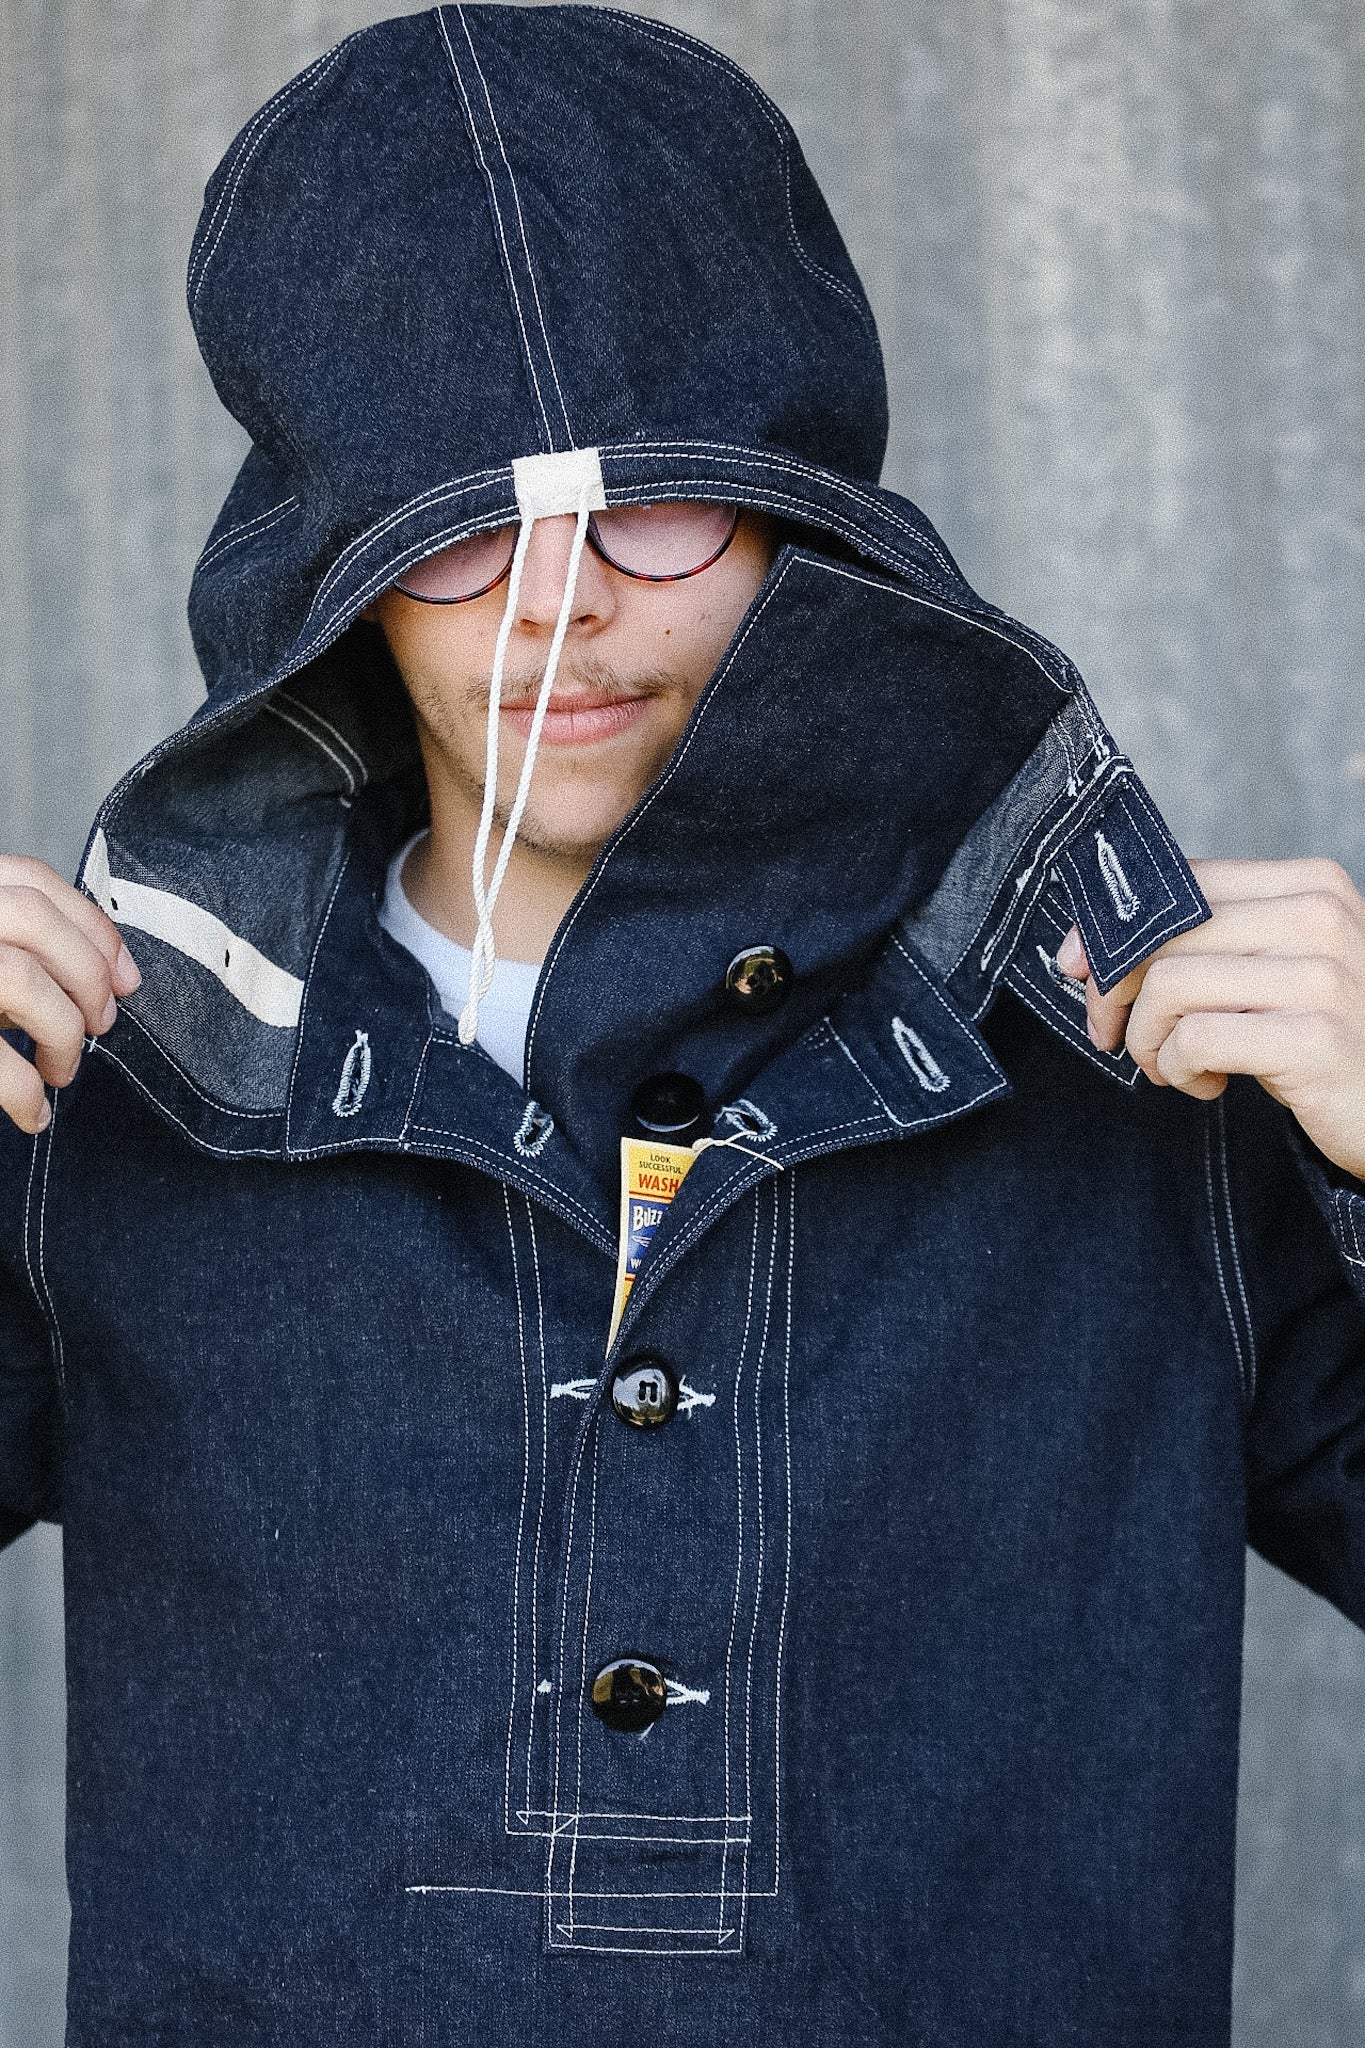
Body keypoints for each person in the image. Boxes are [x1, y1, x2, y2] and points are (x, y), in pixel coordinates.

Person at [0, 6, 1362, 2042]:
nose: (560, 609)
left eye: (657, 507)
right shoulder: (108, 1089)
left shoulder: (1148, 1075)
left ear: (803, 526)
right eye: (457, 529)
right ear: (333, 579)